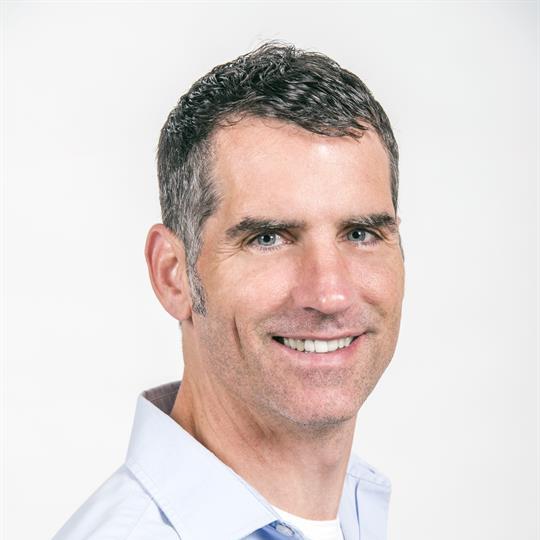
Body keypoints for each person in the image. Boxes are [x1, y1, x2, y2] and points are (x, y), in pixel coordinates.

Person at [53, 43, 405, 540]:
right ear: (173, 274)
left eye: (361, 233)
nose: (330, 295)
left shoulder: (352, 513)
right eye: (268, 238)